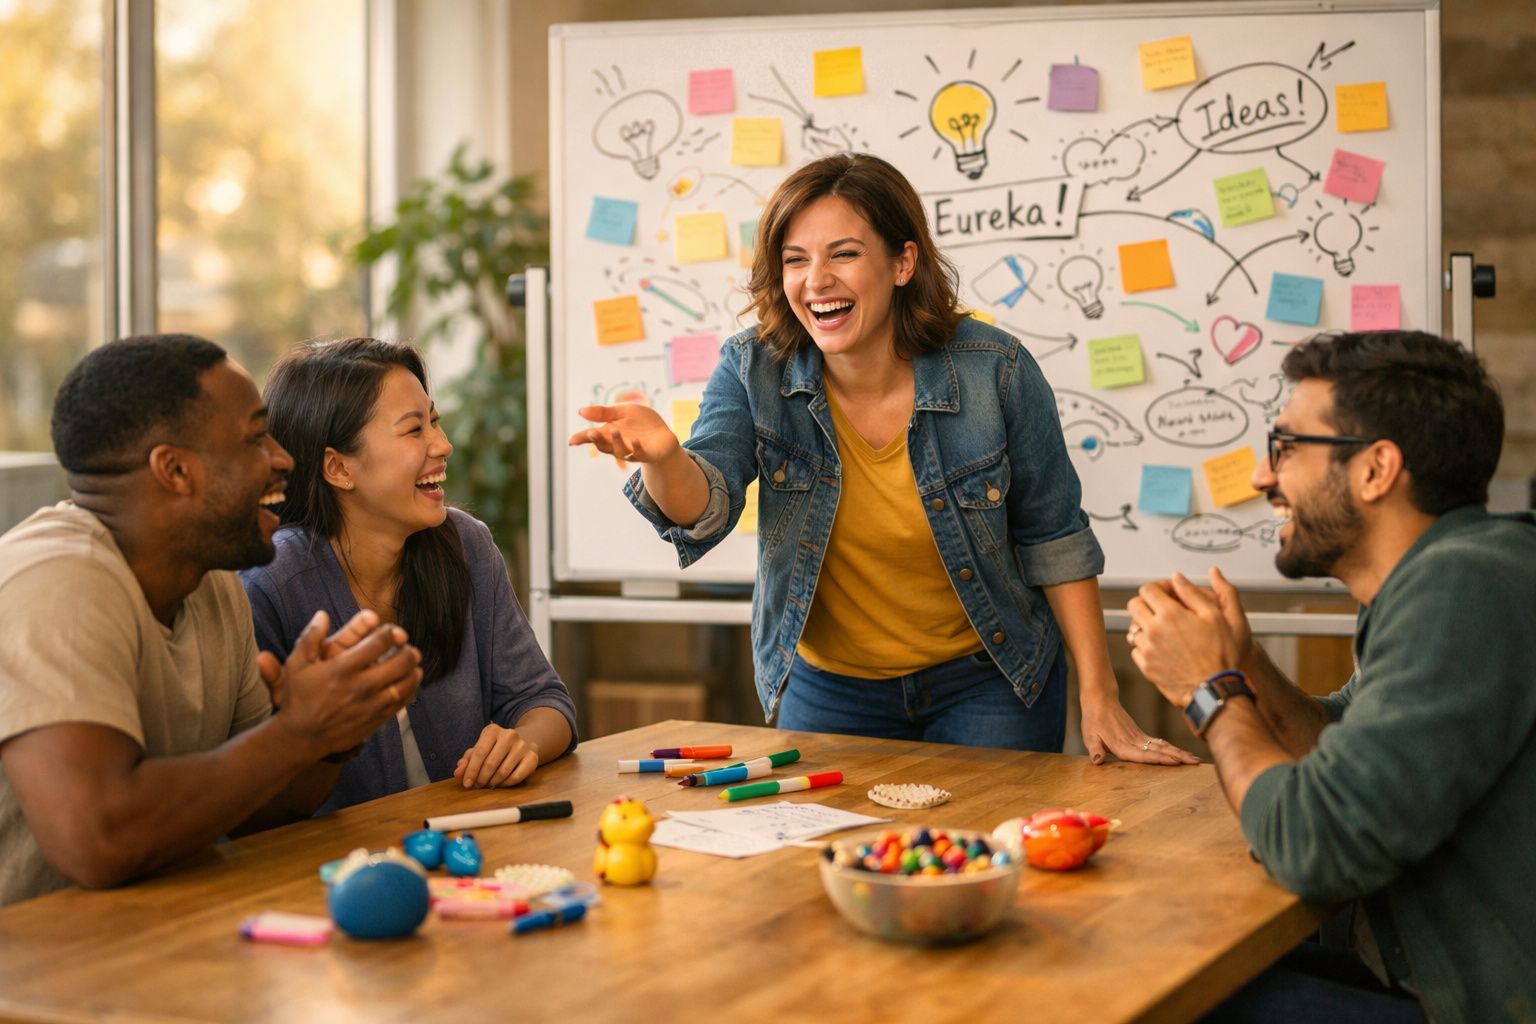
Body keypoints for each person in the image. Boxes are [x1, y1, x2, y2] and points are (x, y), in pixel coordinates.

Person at [572, 152, 1192, 764]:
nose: (816, 280)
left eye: (843, 254)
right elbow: (704, 505)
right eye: (795, 259)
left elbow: (1054, 538)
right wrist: (664, 459)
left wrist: (1100, 695)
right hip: (830, 687)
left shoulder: (995, 370)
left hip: (989, 678)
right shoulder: (751, 367)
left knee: (990, 833)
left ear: (903, 263)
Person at [1125, 330, 1536, 1023]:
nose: (1262, 478)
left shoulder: (1462, 589)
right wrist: (1244, 664)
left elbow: (1311, 845)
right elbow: (1337, 746)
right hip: (1422, 971)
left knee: (1152, 998)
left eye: (1286, 448)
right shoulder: (1453, 573)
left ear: (1376, 469)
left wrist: (1210, 690)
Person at [0, 334, 423, 907]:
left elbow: (258, 811)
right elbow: (99, 840)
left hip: (154, 934)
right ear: (175, 469)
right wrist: (297, 732)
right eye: (255, 438)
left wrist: (330, 736)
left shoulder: (213, 583)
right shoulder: (57, 581)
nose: (284, 459)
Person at [241, 338, 575, 812]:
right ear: (338, 467)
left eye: (434, 421)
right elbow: (257, 793)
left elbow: (543, 699)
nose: (443, 444)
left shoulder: (466, 545)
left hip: (467, 839)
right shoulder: (271, 583)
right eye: (414, 430)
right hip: (339, 858)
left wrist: (525, 741)